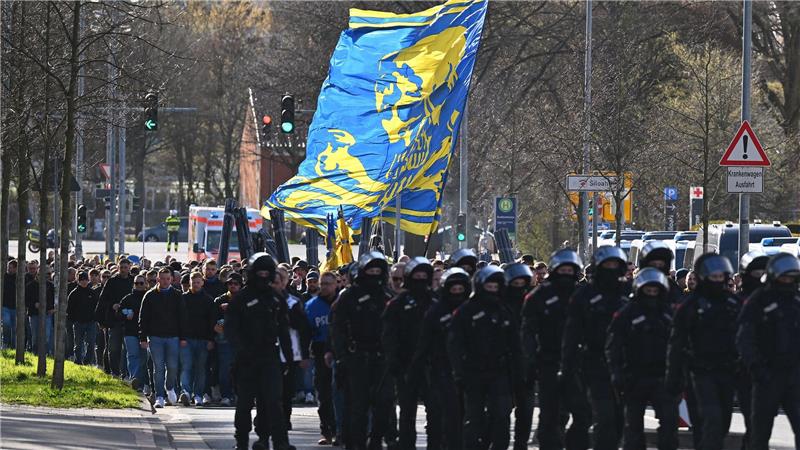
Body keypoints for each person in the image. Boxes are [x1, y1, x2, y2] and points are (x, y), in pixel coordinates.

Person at [667, 254, 739, 450]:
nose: (717, 281)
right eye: (712, 277)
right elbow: (677, 342)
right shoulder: (689, 305)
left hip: (727, 371)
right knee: (709, 419)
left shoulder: (733, 304)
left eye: (720, 277)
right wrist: (673, 376)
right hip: (699, 372)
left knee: (723, 422)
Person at [521, 249, 590, 450]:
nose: (566, 273)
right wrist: (531, 361)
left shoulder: (582, 295)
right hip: (548, 361)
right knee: (550, 414)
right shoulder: (538, 296)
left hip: (577, 362)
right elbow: (528, 332)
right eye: (563, 269)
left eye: (570, 270)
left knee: (583, 413)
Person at [448, 265, 522, 450]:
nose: (492, 291)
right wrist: (459, 372)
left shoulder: (504, 312)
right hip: (473, 372)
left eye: (495, 287)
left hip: (499, 372)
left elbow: (515, 345)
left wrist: (518, 373)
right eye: (489, 287)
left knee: (502, 415)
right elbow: (455, 344)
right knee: (474, 417)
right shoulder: (466, 311)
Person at [225, 253, 294, 450]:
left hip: (270, 357)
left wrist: (289, 360)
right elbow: (231, 329)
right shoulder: (241, 299)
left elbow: (284, 331)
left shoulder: (276, 298)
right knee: (245, 403)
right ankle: (242, 442)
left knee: (273, 402)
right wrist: (241, 351)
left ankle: (280, 442)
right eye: (260, 272)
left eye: (267, 272)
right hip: (246, 359)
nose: (263, 276)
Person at [562, 246, 628, 450]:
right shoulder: (584, 295)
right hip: (594, 363)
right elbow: (572, 333)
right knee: (603, 416)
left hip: (625, 364)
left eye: (615, 265)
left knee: (619, 420)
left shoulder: (628, 292)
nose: (611, 269)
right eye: (607, 265)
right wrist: (568, 366)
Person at [606, 268, 678, 450]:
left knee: (669, 423)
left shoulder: (668, 314)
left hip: (663, 376)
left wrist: (679, 373)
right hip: (634, 376)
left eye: (655, 291)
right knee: (633, 426)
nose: (652, 295)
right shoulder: (626, 314)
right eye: (648, 291)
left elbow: (680, 344)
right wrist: (616, 372)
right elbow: (613, 345)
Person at [736, 253, 800, 450]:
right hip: (767, 375)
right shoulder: (759, 300)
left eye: (791, 277)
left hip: (794, 376)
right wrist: (756, 367)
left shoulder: (796, 301)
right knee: (759, 432)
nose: (787, 281)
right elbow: (744, 338)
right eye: (784, 277)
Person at [330, 252, 393, 450]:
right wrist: (340, 357)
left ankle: (375, 440)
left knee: (384, 404)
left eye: (378, 271)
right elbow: (337, 328)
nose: (374, 275)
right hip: (356, 357)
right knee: (357, 407)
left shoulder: (388, 297)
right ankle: (355, 443)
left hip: (382, 358)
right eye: (371, 271)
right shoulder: (348, 297)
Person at [382, 257, 440, 450]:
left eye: (424, 276)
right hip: (405, 364)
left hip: (432, 365)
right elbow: (389, 335)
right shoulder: (397, 304)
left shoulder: (436, 302)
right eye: (417, 276)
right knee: (407, 411)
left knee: (435, 410)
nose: (420, 280)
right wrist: (394, 360)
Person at [411, 268, 470, 450]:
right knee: (444, 416)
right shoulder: (436, 312)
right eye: (454, 290)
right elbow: (423, 343)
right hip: (442, 370)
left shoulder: (473, 309)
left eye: (461, 290)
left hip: (471, 371)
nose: (457, 294)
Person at [139, 267, 183, 408]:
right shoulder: (150, 295)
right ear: (158, 279)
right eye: (162, 278)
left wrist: (183, 337)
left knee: (172, 366)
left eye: (167, 279)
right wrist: (143, 338)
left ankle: (169, 387)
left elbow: (183, 317)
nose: (165, 281)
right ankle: (159, 396)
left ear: (171, 279)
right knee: (158, 368)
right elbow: (143, 318)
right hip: (155, 337)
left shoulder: (177, 295)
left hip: (173, 337)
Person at [502, 263, 535, 450]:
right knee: (501, 410)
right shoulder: (498, 304)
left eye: (522, 283)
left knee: (526, 410)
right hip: (502, 365)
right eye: (515, 283)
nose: (519, 286)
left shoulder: (534, 302)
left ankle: (520, 444)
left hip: (526, 365)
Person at [305, 271, 339, 445]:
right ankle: (327, 431)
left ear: (336, 284)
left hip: (341, 352)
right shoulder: (311, 305)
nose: (325, 286)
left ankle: (341, 431)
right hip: (320, 353)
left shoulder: (343, 302)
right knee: (324, 394)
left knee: (341, 394)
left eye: (328, 283)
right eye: (322, 283)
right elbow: (306, 332)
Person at [179, 271, 216, 406]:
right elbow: (180, 320)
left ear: (202, 283)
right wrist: (181, 337)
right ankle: (186, 392)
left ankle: (198, 394)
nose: (196, 284)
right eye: (193, 282)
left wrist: (211, 340)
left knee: (201, 368)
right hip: (186, 339)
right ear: (189, 283)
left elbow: (212, 322)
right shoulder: (182, 298)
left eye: (198, 282)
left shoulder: (208, 300)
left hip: (203, 339)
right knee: (186, 366)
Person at [98, 258, 133, 376]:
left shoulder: (134, 281)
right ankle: (115, 372)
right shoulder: (111, 282)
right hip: (114, 321)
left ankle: (127, 374)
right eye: (121, 267)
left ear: (129, 267)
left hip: (130, 321)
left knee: (129, 350)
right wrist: (112, 305)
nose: (123, 270)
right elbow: (102, 300)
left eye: (125, 267)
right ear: (118, 268)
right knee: (113, 349)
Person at [212, 272, 243, 406]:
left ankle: (239, 395)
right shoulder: (219, 300)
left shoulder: (245, 300)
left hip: (242, 340)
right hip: (224, 339)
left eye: (235, 283)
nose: (232, 286)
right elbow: (214, 321)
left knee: (241, 369)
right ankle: (226, 395)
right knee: (224, 369)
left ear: (240, 285)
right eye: (230, 283)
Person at [117, 275, 149, 391]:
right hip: (130, 332)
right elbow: (118, 314)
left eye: (141, 283)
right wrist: (126, 315)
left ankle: (143, 382)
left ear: (145, 284)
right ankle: (135, 380)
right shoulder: (127, 298)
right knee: (133, 356)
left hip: (145, 332)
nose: (139, 286)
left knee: (144, 358)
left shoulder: (149, 297)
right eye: (137, 283)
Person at [67, 271, 99, 365]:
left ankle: (87, 361)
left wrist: (95, 318)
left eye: (85, 279)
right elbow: (70, 309)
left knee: (91, 343)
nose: (84, 282)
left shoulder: (92, 293)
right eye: (82, 280)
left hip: (90, 322)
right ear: (78, 280)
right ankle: (78, 361)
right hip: (78, 322)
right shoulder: (74, 294)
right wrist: (73, 320)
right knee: (78, 344)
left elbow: (96, 306)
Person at [638, 241, 681, 307]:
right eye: (653, 264)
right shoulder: (638, 283)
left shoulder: (672, 286)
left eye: (660, 265)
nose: (657, 267)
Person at [3, 260, 17, 348]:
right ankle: (6, 342)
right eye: (8, 267)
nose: (9, 269)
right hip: (5, 306)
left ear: (16, 268)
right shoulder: (4, 277)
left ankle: (13, 346)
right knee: (6, 323)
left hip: (16, 307)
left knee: (15, 328)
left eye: (11, 268)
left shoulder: (19, 278)